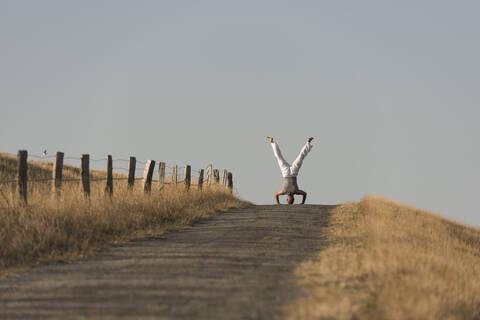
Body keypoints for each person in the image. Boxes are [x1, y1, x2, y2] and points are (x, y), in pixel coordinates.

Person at [267, 136, 314, 205]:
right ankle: (272, 142)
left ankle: (308, 142)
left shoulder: (295, 191)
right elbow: (276, 194)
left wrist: (303, 202)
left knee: (300, 157)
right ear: (287, 199)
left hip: (291, 173)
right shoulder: (285, 191)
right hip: (287, 173)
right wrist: (278, 203)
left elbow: (304, 194)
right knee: (279, 157)